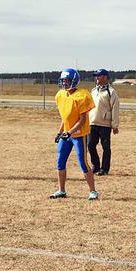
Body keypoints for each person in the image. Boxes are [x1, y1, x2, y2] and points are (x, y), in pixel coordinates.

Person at [51, 68, 98, 200]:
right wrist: (60, 132)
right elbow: (65, 118)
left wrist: (69, 132)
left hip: (78, 135)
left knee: (83, 162)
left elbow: (82, 120)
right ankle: (61, 190)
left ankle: (93, 191)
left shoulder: (82, 95)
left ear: (74, 81)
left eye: (67, 80)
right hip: (66, 135)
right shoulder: (60, 95)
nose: (64, 83)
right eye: (63, 80)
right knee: (60, 162)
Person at [87, 69, 120, 176]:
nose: (96, 77)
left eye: (99, 76)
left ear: (105, 77)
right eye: (96, 76)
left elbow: (115, 109)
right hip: (92, 123)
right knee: (90, 145)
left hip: (105, 124)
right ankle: (95, 166)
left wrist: (115, 125)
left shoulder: (111, 92)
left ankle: (104, 169)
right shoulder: (93, 91)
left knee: (105, 147)